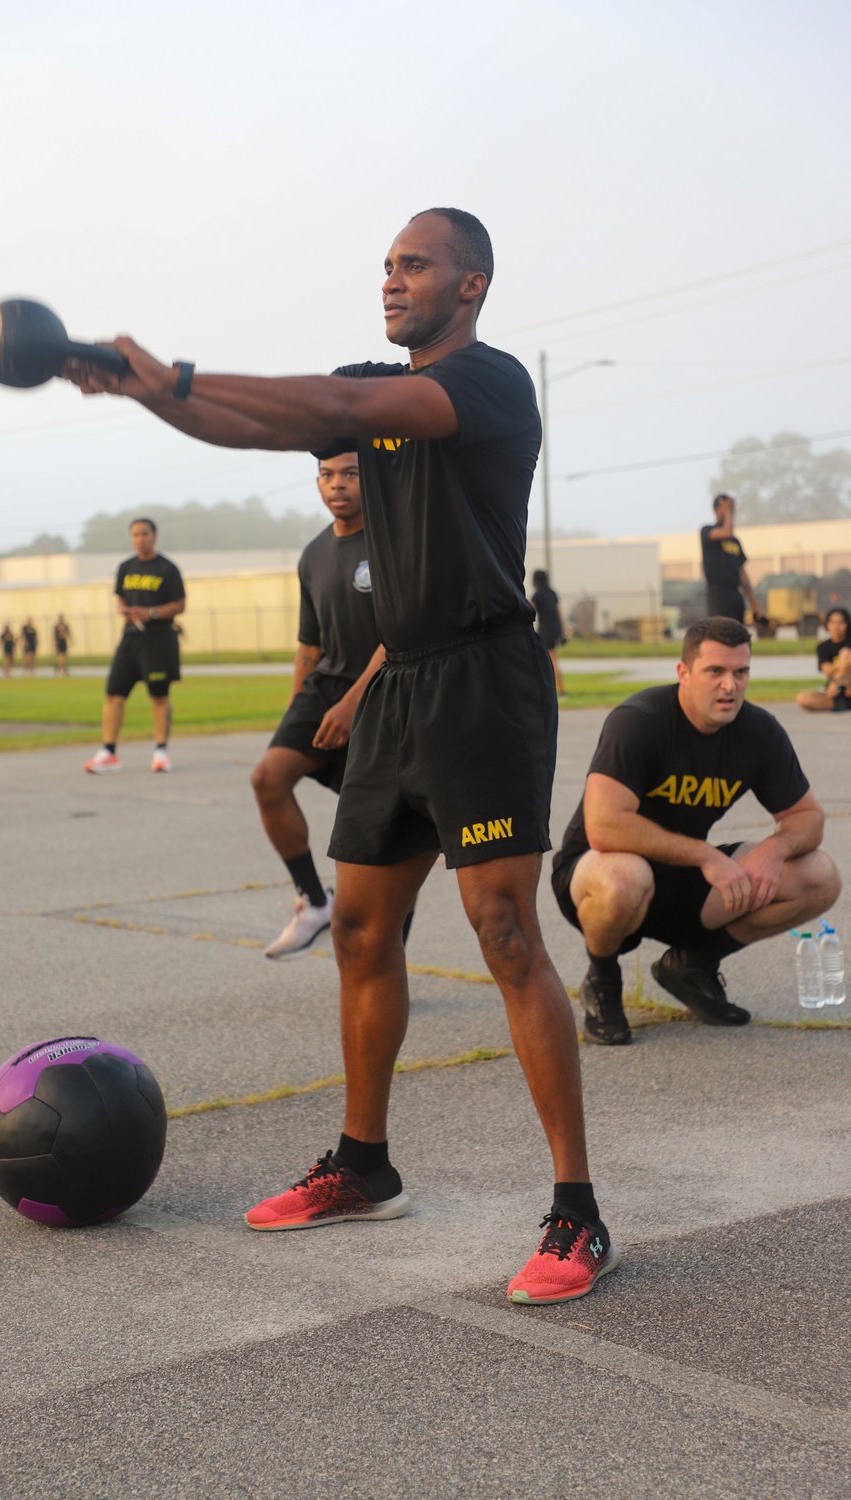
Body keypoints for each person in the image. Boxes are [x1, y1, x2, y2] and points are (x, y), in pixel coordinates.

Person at [65, 207, 614, 1305]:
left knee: (504, 931)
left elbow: (336, 404)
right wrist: (148, 393)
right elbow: (268, 424)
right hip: (398, 682)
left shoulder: (488, 383)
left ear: (472, 285)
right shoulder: (374, 389)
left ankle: (577, 1214)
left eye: (414, 265)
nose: (392, 280)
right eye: (386, 266)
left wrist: (169, 367)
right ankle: (363, 1167)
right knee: (360, 931)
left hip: (483, 680)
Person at [552, 616, 840, 1046]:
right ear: (683, 673)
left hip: (683, 879)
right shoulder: (640, 720)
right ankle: (603, 978)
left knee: (820, 876)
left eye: (741, 672)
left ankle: (691, 966)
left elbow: (809, 817)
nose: (730, 686)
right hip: (598, 874)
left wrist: (775, 849)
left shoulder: (758, 733)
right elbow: (604, 827)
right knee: (626, 877)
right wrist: (708, 857)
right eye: (715, 672)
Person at [251, 447, 386, 957]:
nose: (337, 485)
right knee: (268, 777)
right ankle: (313, 900)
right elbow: (309, 645)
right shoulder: (312, 554)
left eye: (350, 473)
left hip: (384, 695)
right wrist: (295, 707)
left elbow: (400, 634)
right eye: (327, 475)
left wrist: (354, 705)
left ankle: (385, 960)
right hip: (325, 688)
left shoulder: (393, 543)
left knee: (379, 839)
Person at [83, 519, 186, 774]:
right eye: (135, 534)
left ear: (155, 536)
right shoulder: (126, 567)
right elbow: (121, 598)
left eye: (145, 533)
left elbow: (180, 605)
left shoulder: (167, 568)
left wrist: (150, 612)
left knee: (159, 696)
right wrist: (124, 611)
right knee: (114, 694)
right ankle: (109, 752)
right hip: (130, 639)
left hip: (159, 639)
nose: (140, 538)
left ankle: (161, 752)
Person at [700, 494, 760, 623]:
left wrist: (754, 602)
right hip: (718, 593)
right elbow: (727, 532)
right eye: (726, 509)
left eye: (731, 510)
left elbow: (742, 573)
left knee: (738, 632)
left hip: (735, 592)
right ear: (716, 509)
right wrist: (727, 512)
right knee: (721, 630)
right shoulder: (707, 531)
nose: (730, 513)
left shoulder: (735, 542)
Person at [796, 607, 851, 714]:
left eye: (841, 623)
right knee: (802, 698)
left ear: (847, 624)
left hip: (845, 686)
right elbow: (828, 671)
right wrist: (842, 663)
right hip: (834, 692)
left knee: (845, 653)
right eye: (833, 622)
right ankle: (839, 704)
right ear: (827, 624)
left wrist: (836, 681)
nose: (837, 626)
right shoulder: (823, 647)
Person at [530, 568, 567, 697]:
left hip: (545, 628)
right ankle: (557, 690)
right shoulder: (552, 593)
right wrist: (562, 630)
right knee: (549, 659)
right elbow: (558, 613)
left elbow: (529, 610)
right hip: (555, 627)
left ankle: (561, 691)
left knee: (551, 660)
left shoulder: (537, 595)